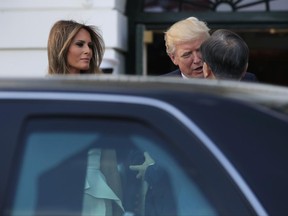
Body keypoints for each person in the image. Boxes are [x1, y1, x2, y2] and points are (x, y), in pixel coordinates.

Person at [163, 16, 258, 81]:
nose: (197, 60)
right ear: (173, 58)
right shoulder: (162, 87)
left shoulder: (246, 79)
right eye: (187, 54)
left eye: (200, 50)